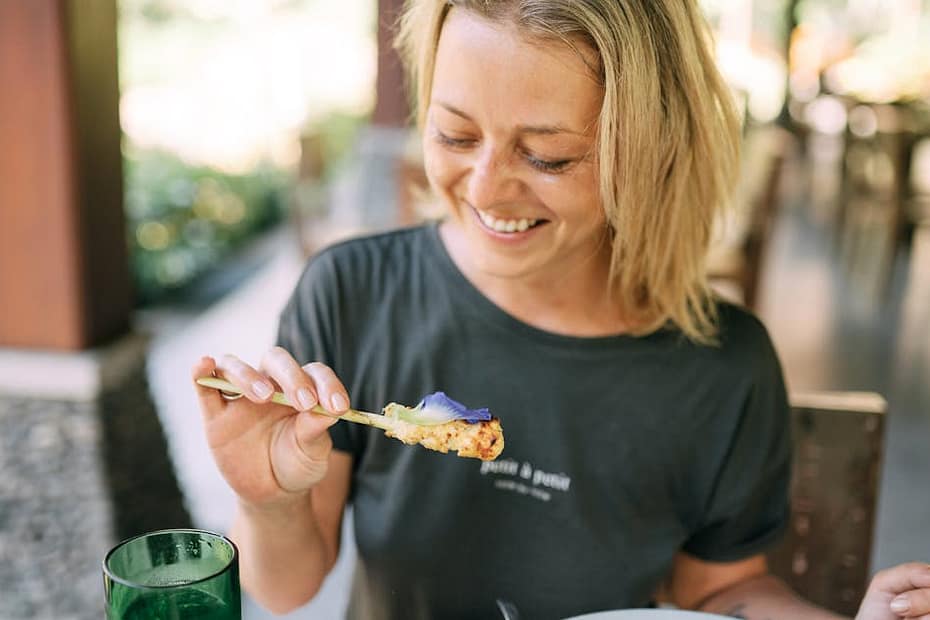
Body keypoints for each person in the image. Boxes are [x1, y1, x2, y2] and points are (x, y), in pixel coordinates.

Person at [192, 1, 930, 618]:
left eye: (546, 157)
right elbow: (282, 588)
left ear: (646, 148)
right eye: (455, 134)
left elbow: (724, 587)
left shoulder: (723, 367)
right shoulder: (352, 293)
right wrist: (268, 499)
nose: (484, 188)